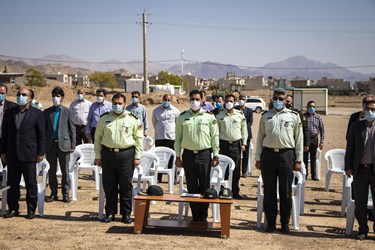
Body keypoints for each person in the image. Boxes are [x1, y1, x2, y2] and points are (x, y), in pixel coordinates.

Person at [255, 88, 303, 234]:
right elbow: (259, 138)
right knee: (269, 192)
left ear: (286, 100)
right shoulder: (266, 116)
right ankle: (270, 223)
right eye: (275, 98)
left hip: (286, 156)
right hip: (268, 156)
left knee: (285, 193)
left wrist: (299, 160)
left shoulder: (294, 116)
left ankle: (284, 223)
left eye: (281, 99)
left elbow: (299, 139)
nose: (278, 101)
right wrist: (258, 158)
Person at [94, 93, 143, 224]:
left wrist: (137, 157)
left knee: (126, 186)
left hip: (126, 155)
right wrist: (98, 156)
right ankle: (110, 213)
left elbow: (139, 139)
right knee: (109, 186)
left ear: (125, 104)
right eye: (115, 103)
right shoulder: (104, 118)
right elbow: (97, 138)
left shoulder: (133, 119)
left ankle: (126, 214)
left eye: (120, 103)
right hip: (108, 154)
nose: (117, 105)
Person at [175, 89, 220, 222]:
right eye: (192, 99)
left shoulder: (209, 117)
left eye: (197, 99)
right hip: (188, 155)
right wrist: (178, 156)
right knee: (192, 187)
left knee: (205, 186)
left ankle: (203, 215)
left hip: (204, 154)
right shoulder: (182, 117)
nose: (194, 102)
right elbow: (178, 138)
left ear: (202, 100)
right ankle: (195, 216)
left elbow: (215, 137)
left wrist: (216, 155)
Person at [1, 87, 45, 219]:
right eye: (19, 94)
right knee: (12, 184)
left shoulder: (37, 114)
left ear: (30, 98)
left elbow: (41, 135)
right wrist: (3, 152)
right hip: (12, 154)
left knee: (31, 184)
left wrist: (40, 153)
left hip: (29, 154)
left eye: (24, 95)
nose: (20, 96)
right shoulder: (9, 113)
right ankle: (13, 208)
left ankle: (31, 210)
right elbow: (5, 134)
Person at [345, 99, 375, 240]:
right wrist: (348, 167)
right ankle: (363, 230)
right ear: (363, 109)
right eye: (368, 109)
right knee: (360, 204)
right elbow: (350, 148)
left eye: (373, 109)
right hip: (360, 171)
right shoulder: (356, 127)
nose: (371, 112)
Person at [44, 87, 76, 203]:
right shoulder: (47, 112)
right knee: (51, 171)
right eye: (53, 96)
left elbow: (72, 129)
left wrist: (73, 144)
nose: (55, 98)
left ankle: (65, 193)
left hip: (64, 145)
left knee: (65, 171)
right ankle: (53, 193)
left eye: (57, 96)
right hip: (50, 145)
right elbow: (44, 130)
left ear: (62, 98)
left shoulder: (68, 112)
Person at [217, 94, 247, 199]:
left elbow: (244, 130)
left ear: (234, 103)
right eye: (227, 101)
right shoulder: (220, 115)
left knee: (236, 169)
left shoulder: (240, 115)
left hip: (235, 145)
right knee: (223, 169)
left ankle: (235, 191)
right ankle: (222, 190)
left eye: (231, 101)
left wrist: (244, 143)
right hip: (223, 145)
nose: (229, 103)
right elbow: (217, 131)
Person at [152, 94, 180, 182]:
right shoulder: (156, 111)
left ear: (171, 101)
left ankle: (173, 178)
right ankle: (158, 177)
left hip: (171, 138)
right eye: (165, 99)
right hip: (160, 138)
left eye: (168, 100)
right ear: (162, 100)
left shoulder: (175, 111)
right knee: (159, 158)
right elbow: (154, 122)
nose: (166, 101)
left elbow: (178, 123)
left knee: (172, 158)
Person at [303, 100, 325, 181]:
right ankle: (304, 174)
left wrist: (321, 141)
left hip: (314, 139)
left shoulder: (318, 117)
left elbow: (322, 130)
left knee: (313, 157)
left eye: (313, 107)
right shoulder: (304, 116)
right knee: (304, 158)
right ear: (307, 107)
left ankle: (314, 175)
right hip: (305, 140)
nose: (312, 108)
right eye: (310, 106)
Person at [0, 83, 17, 182]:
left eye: (2, 93)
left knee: (8, 165)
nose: (0, 95)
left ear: (6, 94)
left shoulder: (12, 107)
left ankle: (10, 187)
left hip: (6, 141)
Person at [235, 94, 253, 177]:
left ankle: (244, 171)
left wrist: (243, 129)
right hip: (236, 135)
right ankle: (236, 171)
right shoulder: (234, 109)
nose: (241, 100)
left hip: (247, 136)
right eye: (240, 99)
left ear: (246, 100)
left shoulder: (249, 111)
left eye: (243, 99)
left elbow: (250, 122)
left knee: (245, 155)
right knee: (236, 155)